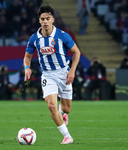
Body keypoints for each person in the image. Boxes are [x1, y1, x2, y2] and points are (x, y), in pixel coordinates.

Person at [23, 6, 81, 144]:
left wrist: (72, 70)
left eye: (48, 19)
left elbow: (76, 52)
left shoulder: (62, 35)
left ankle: (63, 114)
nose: (45, 21)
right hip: (48, 76)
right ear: (39, 20)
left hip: (64, 73)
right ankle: (67, 136)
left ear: (53, 20)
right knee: (51, 106)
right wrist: (26, 67)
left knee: (66, 108)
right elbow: (27, 56)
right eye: (42, 19)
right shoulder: (34, 38)